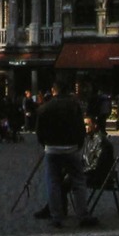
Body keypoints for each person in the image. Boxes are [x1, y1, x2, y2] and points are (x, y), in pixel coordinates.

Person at [34, 84, 97, 228]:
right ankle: (82, 215)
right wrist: (79, 143)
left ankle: (56, 217)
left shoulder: (45, 108)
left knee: (53, 182)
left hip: (52, 149)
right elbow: (80, 128)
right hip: (71, 148)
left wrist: (45, 145)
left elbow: (39, 131)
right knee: (78, 182)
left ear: (53, 91)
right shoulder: (74, 106)